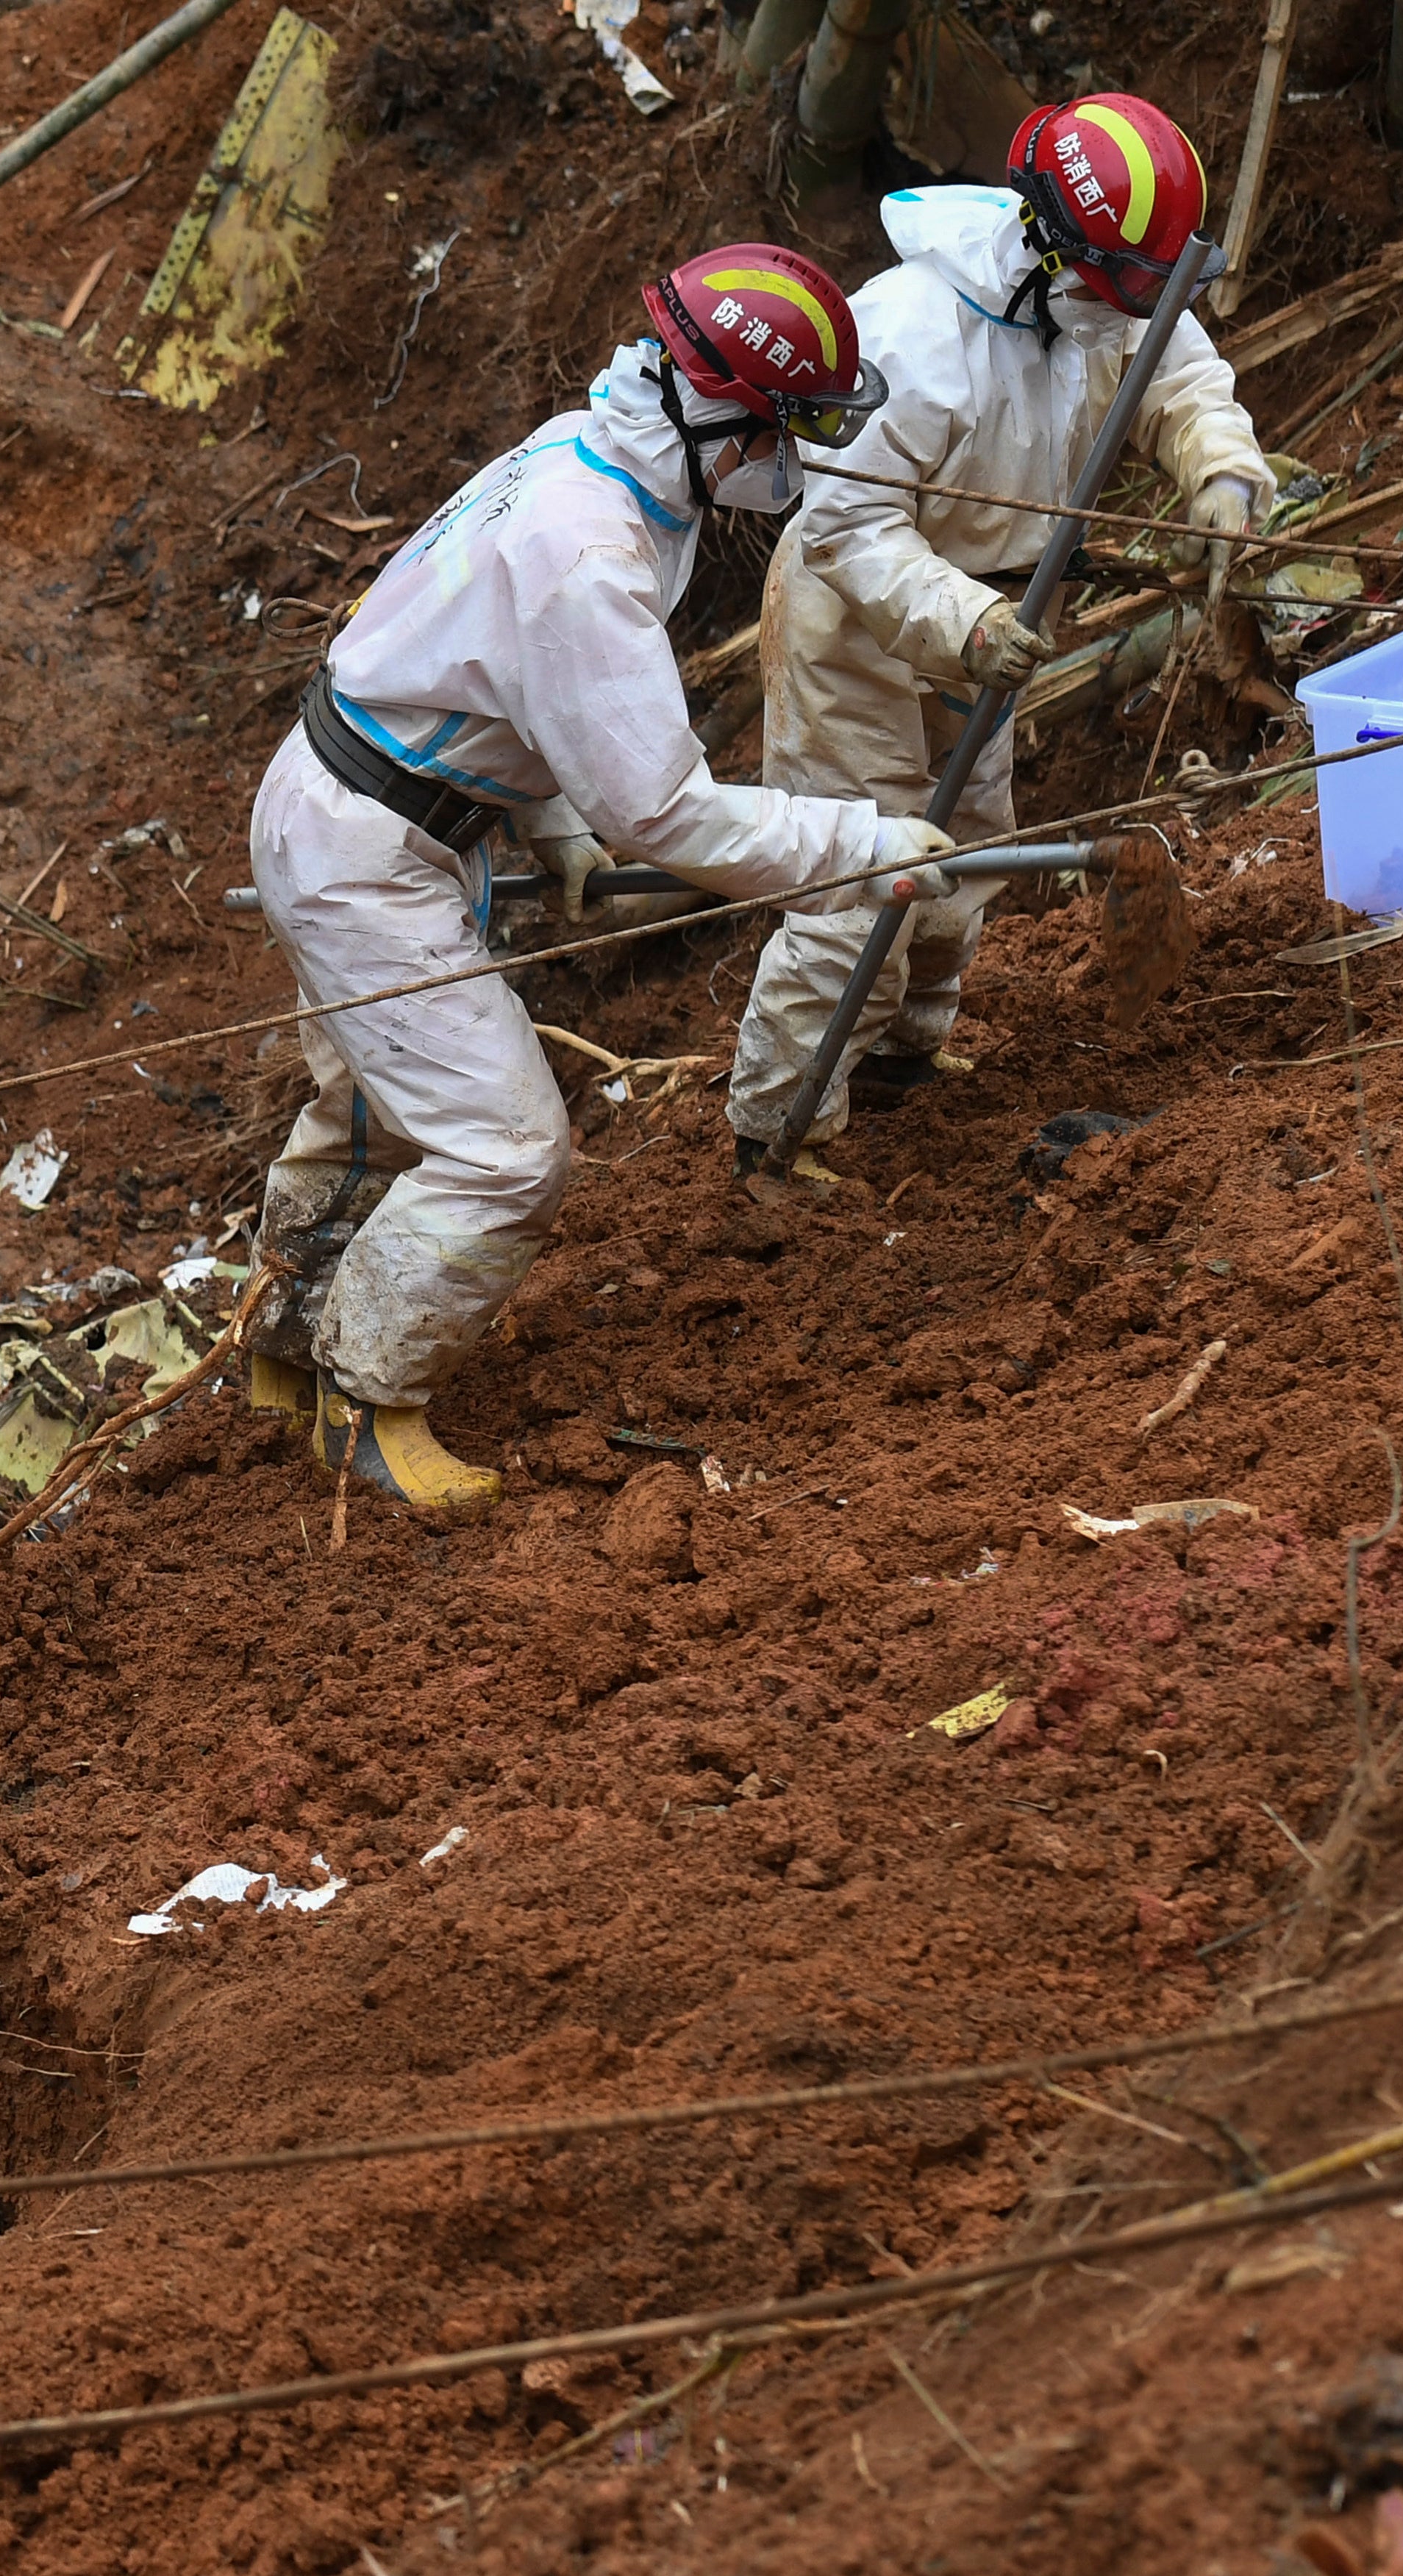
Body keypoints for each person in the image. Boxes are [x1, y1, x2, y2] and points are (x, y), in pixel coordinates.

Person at [241, 243, 955, 1512]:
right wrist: (859, 846)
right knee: (507, 1150)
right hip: (368, 847)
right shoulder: (591, 552)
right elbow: (667, 812)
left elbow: (507, 671)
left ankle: (285, 1342)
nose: (784, 462)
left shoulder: (596, 461)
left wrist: (552, 821)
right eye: (778, 433)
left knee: (370, 1101)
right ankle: (364, 1396)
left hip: (366, 798)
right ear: (714, 413)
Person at [728, 93, 1270, 1177]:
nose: (1145, 303)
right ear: (1057, 248)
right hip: (860, 621)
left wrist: (1221, 470)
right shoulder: (915, 330)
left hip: (1000, 608)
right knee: (861, 868)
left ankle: (904, 1054)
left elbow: (1181, 375)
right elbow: (846, 522)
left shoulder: (1111, 295)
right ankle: (777, 1132)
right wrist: (964, 623)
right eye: (1131, 283)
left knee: (966, 842)